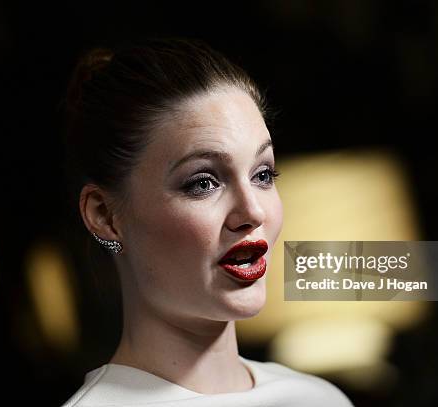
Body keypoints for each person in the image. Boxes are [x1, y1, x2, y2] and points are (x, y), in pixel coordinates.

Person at [61, 38, 353, 407]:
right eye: (203, 183)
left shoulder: (320, 399)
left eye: (262, 175)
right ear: (104, 216)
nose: (253, 212)